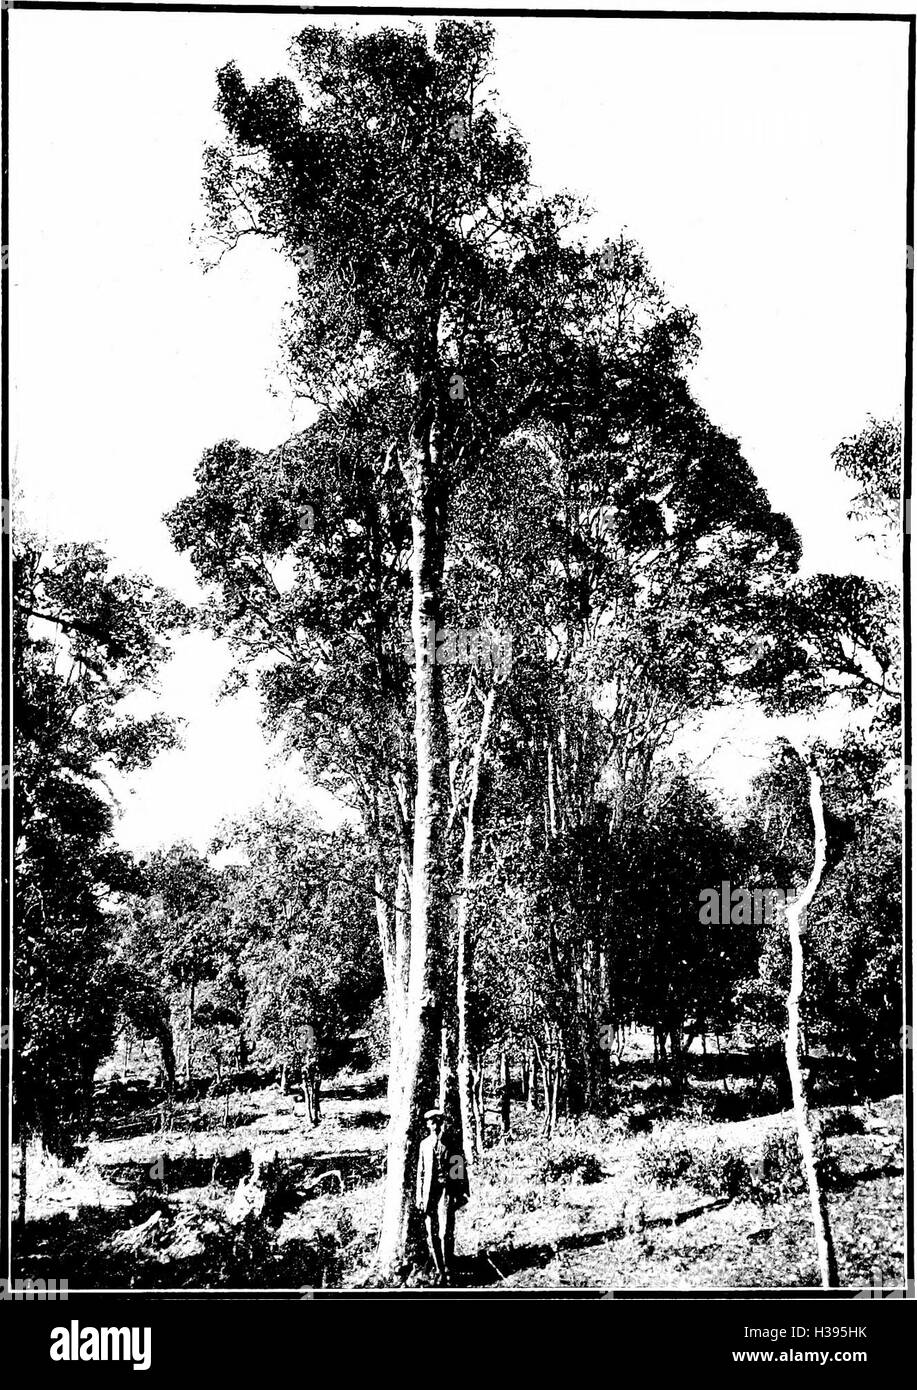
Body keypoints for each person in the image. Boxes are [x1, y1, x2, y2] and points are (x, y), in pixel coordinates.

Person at [416, 1106, 468, 1284]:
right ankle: (439, 1270)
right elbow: (420, 1173)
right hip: (429, 1193)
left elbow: (459, 1168)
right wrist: (419, 1197)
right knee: (433, 1232)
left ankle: (448, 1269)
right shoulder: (424, 1145)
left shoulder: (451, 1142)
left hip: (446, 1191)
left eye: (438, 1122)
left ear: (442, 1123)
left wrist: (461, 1192)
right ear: (428, 1125)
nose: (435, 1125)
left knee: (446, 1230)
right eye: (432, 1123)